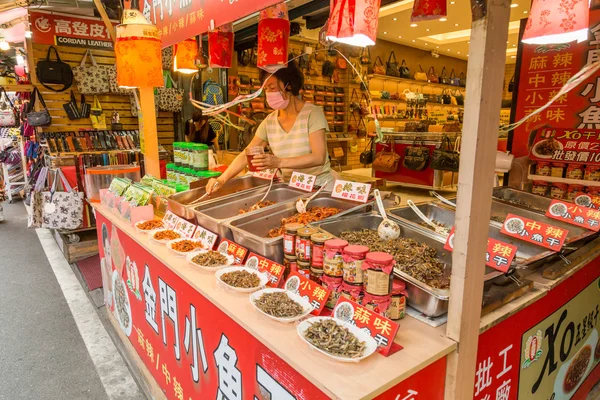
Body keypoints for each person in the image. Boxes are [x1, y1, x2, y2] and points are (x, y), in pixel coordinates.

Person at [205, 60, 332, 194]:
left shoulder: (313, 114)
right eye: (265, 89)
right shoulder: (269, 121)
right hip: (291, 188)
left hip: (319, 188)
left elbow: (319, 157)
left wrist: (278, 162)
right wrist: (222, 179)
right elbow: (246, 154)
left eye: (272, 88)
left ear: (289, 85)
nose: (268, 94)